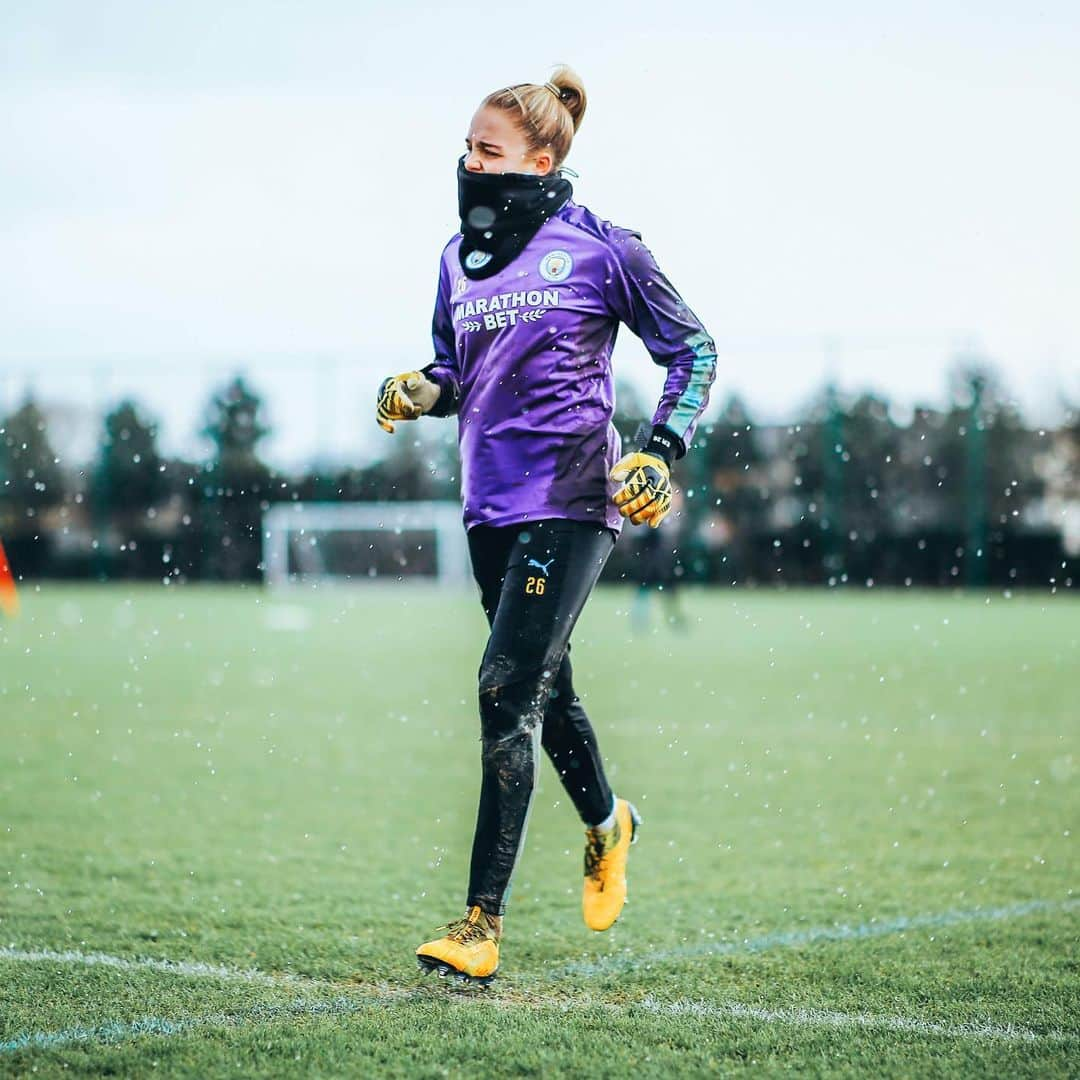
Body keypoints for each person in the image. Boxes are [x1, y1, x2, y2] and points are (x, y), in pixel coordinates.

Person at [375, 66, 717, 984]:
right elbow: (456, 371)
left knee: (502, 687)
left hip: (573, 501)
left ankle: (480, 926)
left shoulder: (605, 249)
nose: (470, 163)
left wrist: (658, 450)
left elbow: (695, 349)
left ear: (540, 156)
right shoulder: (456, 257)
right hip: (489, 503)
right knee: (543, 689)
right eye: (467, 148)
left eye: (488, 151)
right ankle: (610, 822)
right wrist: (422, 388)